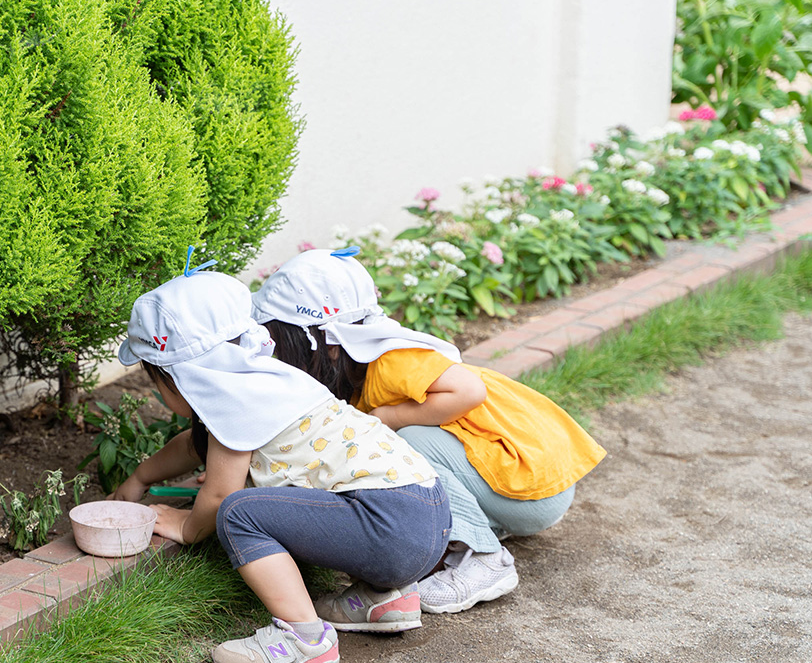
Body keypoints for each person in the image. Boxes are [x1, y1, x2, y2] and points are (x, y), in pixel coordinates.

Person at [111, 267, 452, 663]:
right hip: (428, 515)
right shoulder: (269, 382)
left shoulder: (235, 405)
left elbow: (218, 496)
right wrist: (140, 477)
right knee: (277, 501)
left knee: (238, 512)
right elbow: (193, 445)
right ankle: (384, 599)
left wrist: (187, 526)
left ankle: (305, 643)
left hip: (390, 526)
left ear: (178, 376)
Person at [251, 247, 606, 614]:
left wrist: (392, 417)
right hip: (516, 485)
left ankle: (485, 560)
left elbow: (470, 391)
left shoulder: (390, 362)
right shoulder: (356, 374)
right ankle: (478, 525)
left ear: (328, 346)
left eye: (284, 343)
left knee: (401, 444)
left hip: (533, 488)